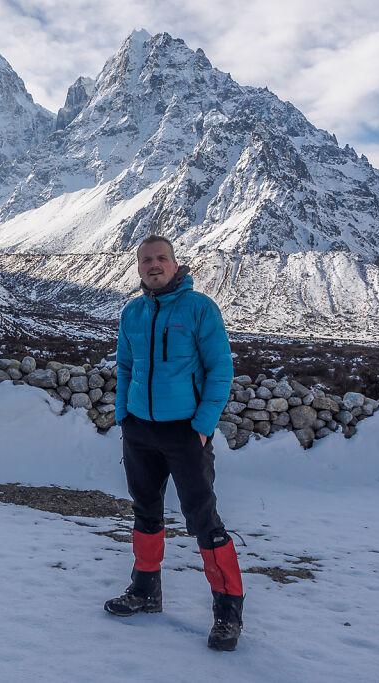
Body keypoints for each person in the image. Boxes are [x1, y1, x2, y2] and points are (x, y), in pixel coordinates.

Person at [104, 234, 245, 652]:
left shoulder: (200, 309)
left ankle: (227, 615)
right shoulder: (132, 312)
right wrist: (123, 415)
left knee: (204, 520)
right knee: (145, 512)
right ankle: (145, 593)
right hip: (140, 431)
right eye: (146, 260)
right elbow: (125, 365)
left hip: (185, 431)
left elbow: (221, 369)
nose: (154, 265)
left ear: (174, 263)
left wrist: (202, 426)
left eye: (161, 258)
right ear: (139, 267)